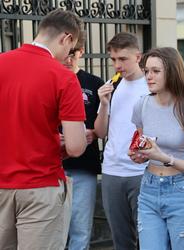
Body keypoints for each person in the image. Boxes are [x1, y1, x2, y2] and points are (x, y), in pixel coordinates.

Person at [0, 9, 87, 250]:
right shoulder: (64, 77)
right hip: (41, 185)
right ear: (66, 38)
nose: (68, 58)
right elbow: (76, 146)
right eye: (70, 51)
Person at [129, 47, 184, 250]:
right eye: (146, 71)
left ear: (172, 72)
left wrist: (163, 156)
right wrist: (139, 155)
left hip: (182, 191)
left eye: (155, 71)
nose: (148, 76)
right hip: (149, 189)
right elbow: (143, 145)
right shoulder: (142, 105)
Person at [94, 32, 149, 250]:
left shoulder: (150, 85)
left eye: (123, 59)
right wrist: (104, 104)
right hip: (111, 171)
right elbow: (100, 132)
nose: (118, 65)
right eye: (114, 60)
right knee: (121, 240)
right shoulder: (112, 85)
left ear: (138, 57)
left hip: (142, 171)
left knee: (147, 237)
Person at [62, 32, 104, 250]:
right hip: (53, 166)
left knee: (80, 228)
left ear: (81, 52)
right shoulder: (50, 78)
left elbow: (106, 125)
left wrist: (94, 133)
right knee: (53, 229)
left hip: (83, 165)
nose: (68, 59)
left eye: (74, 54)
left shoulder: (94, 83)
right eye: (66, 53)